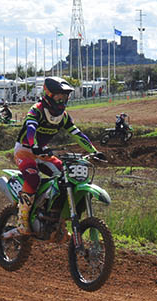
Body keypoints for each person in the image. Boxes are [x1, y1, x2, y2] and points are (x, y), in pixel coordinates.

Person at [13, 76, 106, 235]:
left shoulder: (63, 116)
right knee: (33, 178)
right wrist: (34, 146)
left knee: (65, 176)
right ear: (49, 94)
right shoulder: (37, 110)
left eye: (66, 97)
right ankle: (22, 219)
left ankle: (55, 218)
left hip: (43, 151)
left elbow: (77, 134)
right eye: (59, 97)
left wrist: (93, 151)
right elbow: (31, 129)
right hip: (25, 150)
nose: (63, 101)